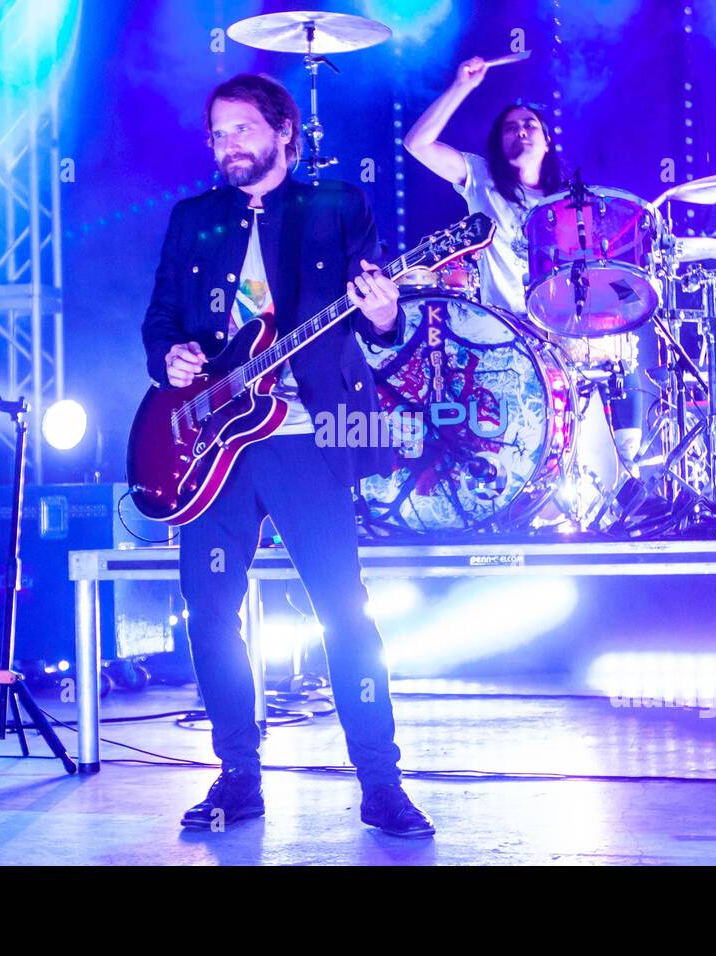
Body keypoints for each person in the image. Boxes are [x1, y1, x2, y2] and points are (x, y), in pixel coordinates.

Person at [141, 73, 434, 838]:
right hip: (212, 445)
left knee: (345, 609)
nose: (226, 144)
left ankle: (381, 783)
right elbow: (160, 319)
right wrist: (168, 357)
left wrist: (385, 312)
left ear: (284, 133)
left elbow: (378, 327)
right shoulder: (192, 218)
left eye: (240, 129)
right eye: (216, 133)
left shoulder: (335, 207)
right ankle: (238, 776)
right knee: (209, 611)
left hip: (308, 436)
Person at [404, 56, 644, 465]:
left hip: (560, 329)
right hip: (505, 330)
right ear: (499, 143)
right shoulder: (481, 179)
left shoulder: (569, 203)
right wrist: (462, 86)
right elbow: (417, 145)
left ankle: (628, 468)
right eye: (511, 128)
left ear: (547, 141)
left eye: (530, 125)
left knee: (623, 345)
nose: (520, 131)